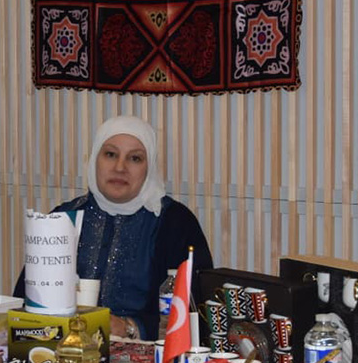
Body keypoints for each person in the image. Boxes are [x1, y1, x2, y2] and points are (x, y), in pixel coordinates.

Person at [14, 115, 212, 341]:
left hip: (148, 354)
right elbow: (26, 301)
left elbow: (196, 313)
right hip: (64, 348)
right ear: (95, 160)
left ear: (149, 167)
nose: (120, 168)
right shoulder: (63, 218)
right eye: (110, 154)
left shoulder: (175, 223)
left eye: (135, 158)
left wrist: (130, 328)